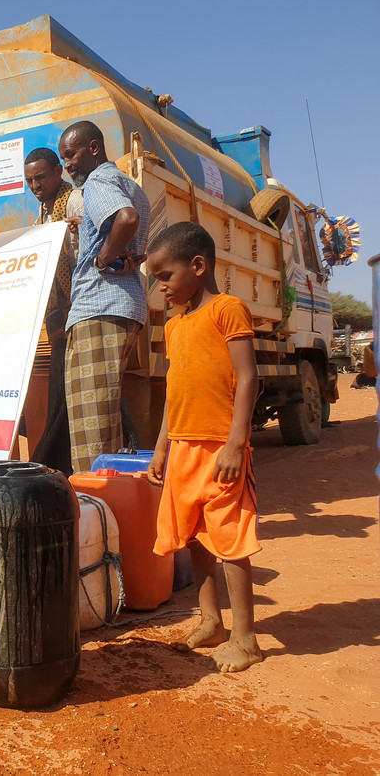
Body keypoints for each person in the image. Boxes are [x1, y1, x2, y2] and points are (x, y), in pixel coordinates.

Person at [145, 222, 263, 673]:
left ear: (198, 266)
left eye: (165, 276)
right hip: (182, 448)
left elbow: (248, 378)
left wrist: (237, 443)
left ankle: (246, 638)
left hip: (220, 449)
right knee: (194, 536)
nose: (161, 288)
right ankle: (211, 620)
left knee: (230, 540)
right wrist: (161, 447)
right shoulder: (175, 327)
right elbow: (174, 394)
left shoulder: (228, 310)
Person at [58, 120, 150, 472]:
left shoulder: (98, 182)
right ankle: (114, 508)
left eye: (72, 154)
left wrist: (102, 256)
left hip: (98, 308)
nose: (69, 164)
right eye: (64, 157)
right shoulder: (130, 184)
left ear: (94, 148)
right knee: (107, 421)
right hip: (124, 307)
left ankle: (95, 509)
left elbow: (125, 219)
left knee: (90, 429)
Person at [21, 147, 80, 473]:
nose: (35, 185)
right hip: (58, 317)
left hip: (77, 309)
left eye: (41, 177)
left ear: (59, 171)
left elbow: (82, 256)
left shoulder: (72, 203)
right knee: (60, 388)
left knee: (69, 389)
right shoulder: (44, 214)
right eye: (30, 180)